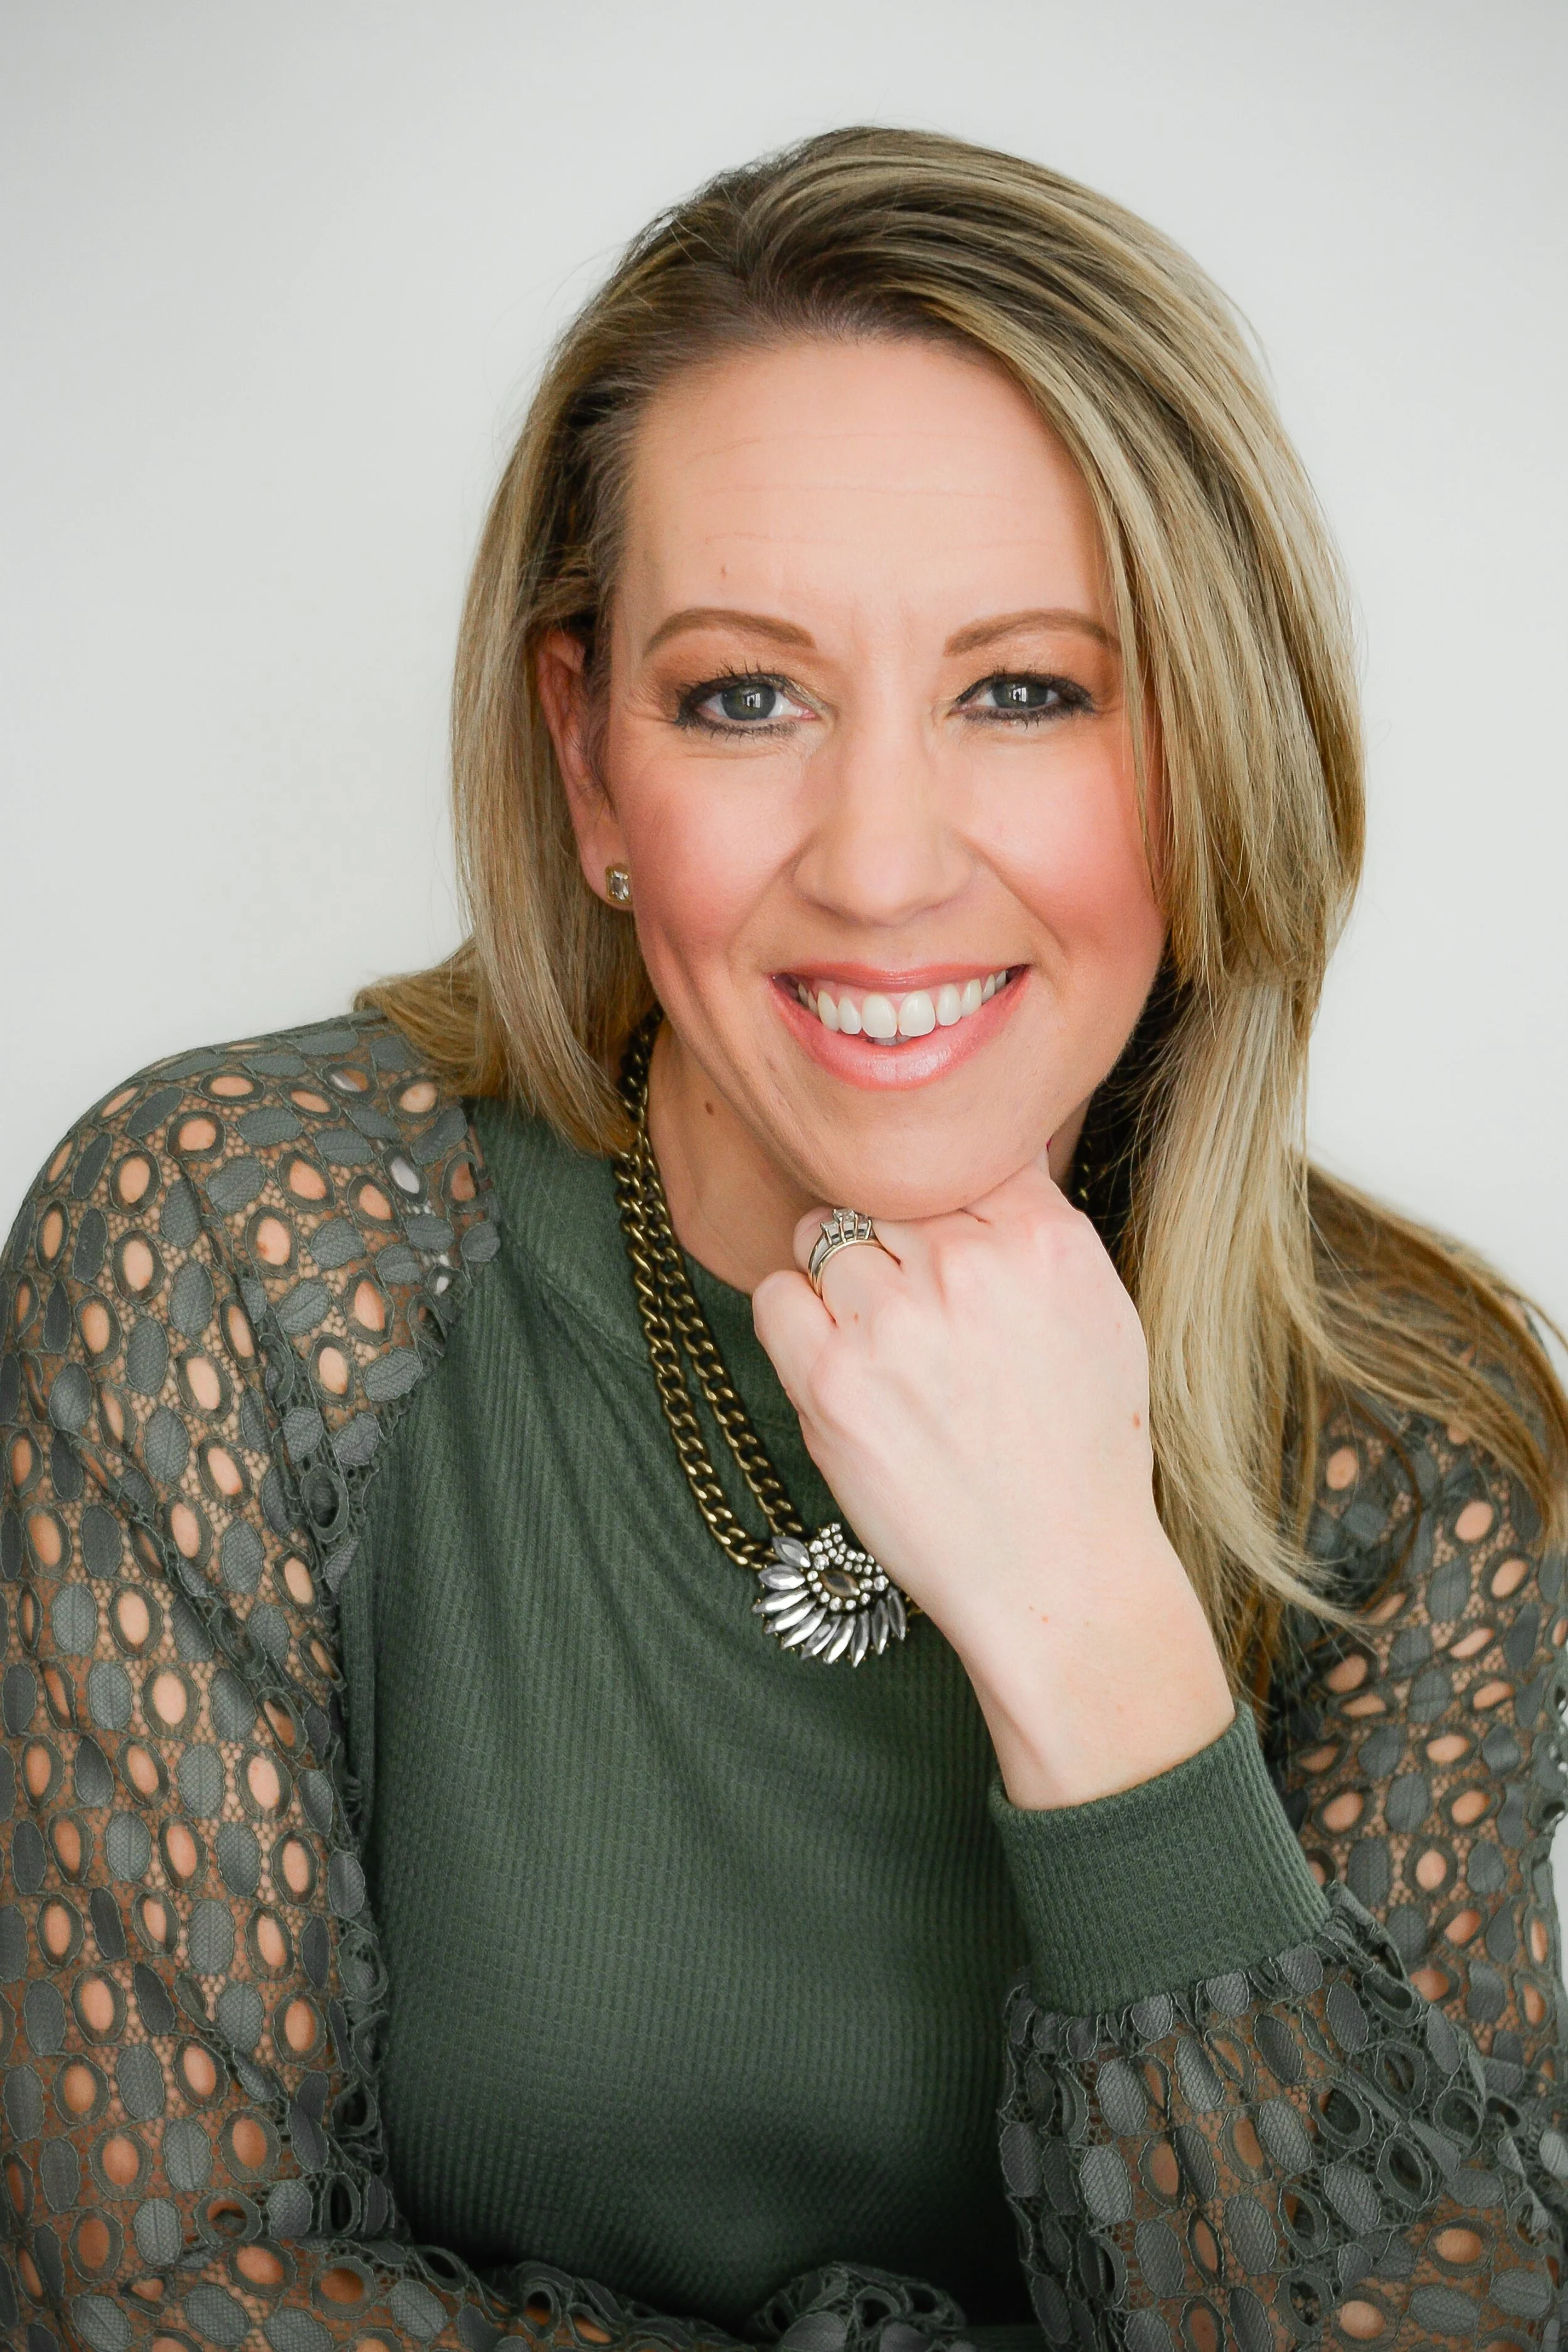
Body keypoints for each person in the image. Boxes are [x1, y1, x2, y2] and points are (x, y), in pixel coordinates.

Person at [3, 124, 1566, 2352]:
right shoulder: (226, 1255)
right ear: (586, 759)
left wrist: (1090, 1626)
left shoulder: (1417, 1444)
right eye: (747, 697)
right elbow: (157, 2304)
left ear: (1214, 740)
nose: (880, 860)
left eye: (1024, 689)